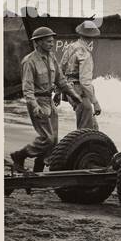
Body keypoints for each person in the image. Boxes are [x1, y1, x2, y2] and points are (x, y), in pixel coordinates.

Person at [10, 27, 78, 172]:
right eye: (48, 41)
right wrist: (34, 106)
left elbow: (61, 80)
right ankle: (20, 155)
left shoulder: (51, 57)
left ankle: (39, 165)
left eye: (52, 41)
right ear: (38, 42)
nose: (51, 44)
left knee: (54, 140)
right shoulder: (29, 62)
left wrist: (73, 94)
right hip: (38, 102)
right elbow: (27, 89)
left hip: (49, 100)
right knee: (48, 139)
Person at [59, 20, 102, 129]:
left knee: (93, 127)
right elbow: (85, 82)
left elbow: (61, 70)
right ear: (92, 37)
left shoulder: (70, 47)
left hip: (70, 91)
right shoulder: (85, 54)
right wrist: (95, 102)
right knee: (85, 130)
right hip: (80, 93)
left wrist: (58, 92)